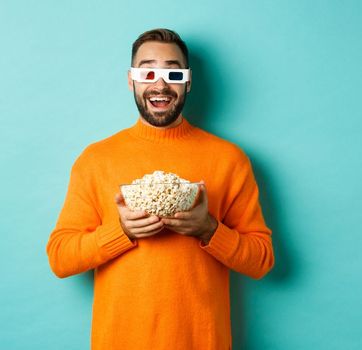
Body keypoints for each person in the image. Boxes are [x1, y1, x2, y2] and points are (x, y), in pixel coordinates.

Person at [46, 28, 275, 349]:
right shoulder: (96, 159)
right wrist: (121, 231)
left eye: (173, 72)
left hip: (201, 341)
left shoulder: (229, 159)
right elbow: (60, 258)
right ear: (132, 80)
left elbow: (262, 260)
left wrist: (209, 229)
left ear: (188, 81)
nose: (160, 83)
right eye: (148, 71)